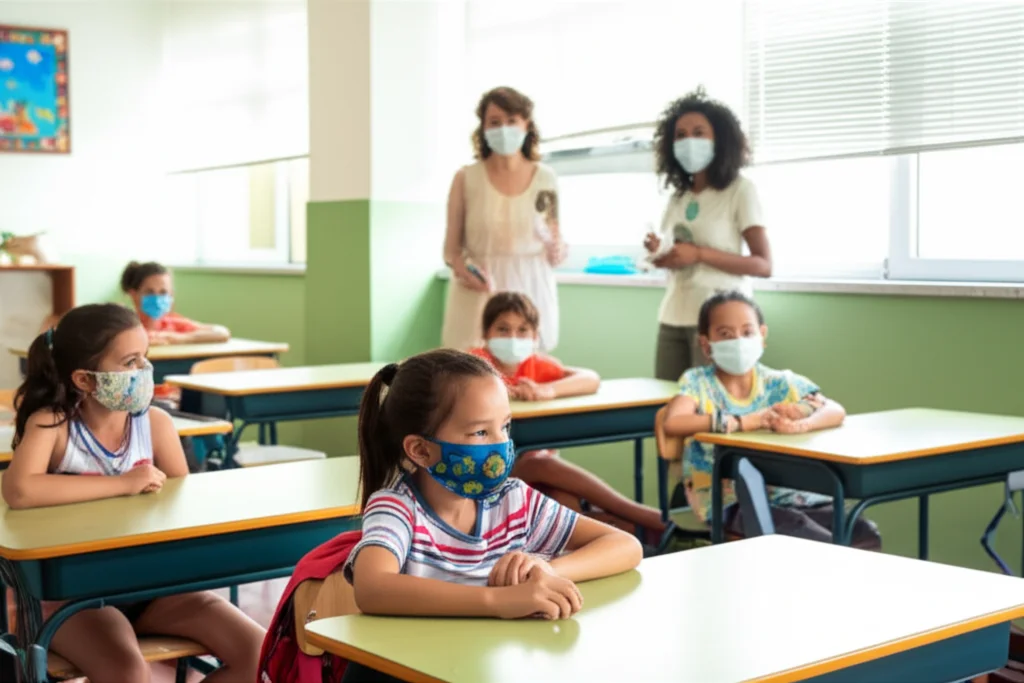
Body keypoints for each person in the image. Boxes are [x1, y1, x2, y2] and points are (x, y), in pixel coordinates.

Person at [341, 349, 642, 682]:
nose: (501, 444)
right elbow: (372, 589)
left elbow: (625, 545)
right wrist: (498, 600)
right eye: (480, 433)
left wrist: (546, 569)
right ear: (421, 450)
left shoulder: (512, 501)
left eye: (505, 426)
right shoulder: (397, 507)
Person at [3, 303, 264, 682]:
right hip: (75, 597)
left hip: (154, 587)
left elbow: (183, 502)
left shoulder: (155, 423)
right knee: (129, 674)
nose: (143, 371)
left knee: (260, 652)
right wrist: (123, 484)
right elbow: (20, 490)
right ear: (84, 380)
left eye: (145, 358)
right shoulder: (53, 424)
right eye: (129, 362)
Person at [661, 291, 881, 548]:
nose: (738, 341)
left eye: (747, 332)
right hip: (730, 502)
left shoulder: (779, 383)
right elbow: (673, 422)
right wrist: (741, 422)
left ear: (762, 335)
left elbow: (834, 409)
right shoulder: (698, 382)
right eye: (725, 334)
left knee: (862, 530)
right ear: (706, 344)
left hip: (794, 495)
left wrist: (804, 419)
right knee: (803, 533)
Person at [468, 292, 675, 548]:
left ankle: (624, 530)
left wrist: (549, 390)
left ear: (535, 337)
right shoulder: (477, 364)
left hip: (540, 481)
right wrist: (503, 391)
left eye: (523, 330)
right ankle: (638, 516)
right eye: (503, 329)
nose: (513, 338)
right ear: (486, 334)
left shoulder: (537, 366)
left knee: (565, 501)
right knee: (540, 462)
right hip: (493, 472)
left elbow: (589, 378)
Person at [644, 87, 772, 383]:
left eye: (699, 132)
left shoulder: (740, 191)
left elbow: (763, 265)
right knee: (667, 405)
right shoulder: (678, 197)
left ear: (720, 139)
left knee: (710, 410)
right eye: (681, 135)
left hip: (720, 323)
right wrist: (661, 253)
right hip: (673, 315)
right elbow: (676, 251)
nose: (689, 141)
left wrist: (699, 254)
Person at [441, 86, 567, 352]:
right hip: (479, 291)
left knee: (527, 376)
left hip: (531, 288)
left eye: (511, 121)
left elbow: (554, 236)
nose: (503, 129)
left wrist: (558, 250)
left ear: (527, 125)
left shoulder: (546, 177)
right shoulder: (466, 178)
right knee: (473, 374)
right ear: (483, 129)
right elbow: (451, 252)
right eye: (495, 122)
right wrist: (465, 271)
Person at [120, 261, 231, 347]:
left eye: (163, 292)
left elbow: (221, 332)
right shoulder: (125, 325)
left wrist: (180, 338)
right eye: (150, 292)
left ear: (171, 295)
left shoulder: (171, 323)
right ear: (133, 294)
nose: (158, 298)